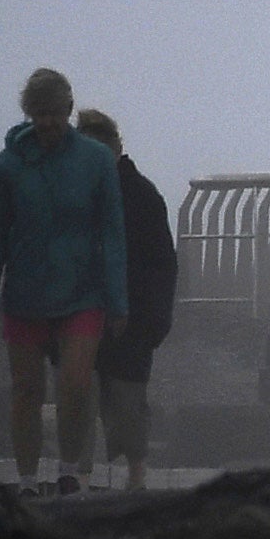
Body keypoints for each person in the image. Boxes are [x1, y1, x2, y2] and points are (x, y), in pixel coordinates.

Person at [0, 67, 125, 487]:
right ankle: (27, 478)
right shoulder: (8, 165)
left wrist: (118, 301)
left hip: (82, 291)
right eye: (40, 113)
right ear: (28, 113)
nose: (49, 122)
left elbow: (112, 234)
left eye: (56, 112)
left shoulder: (96, 161)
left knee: (74, 386)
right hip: (25, 291)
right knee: (26, 390)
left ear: (69, 110)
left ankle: (70, 470)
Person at [72, 107, 175, 492]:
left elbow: (162, 263)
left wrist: (153, 321)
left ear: (116, 149)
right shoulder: (74, 191)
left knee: (128, 400)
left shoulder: (142, 195)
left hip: (132, 315)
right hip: (80, 309)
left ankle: (136, 474)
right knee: (77, 395)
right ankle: (78, 474)